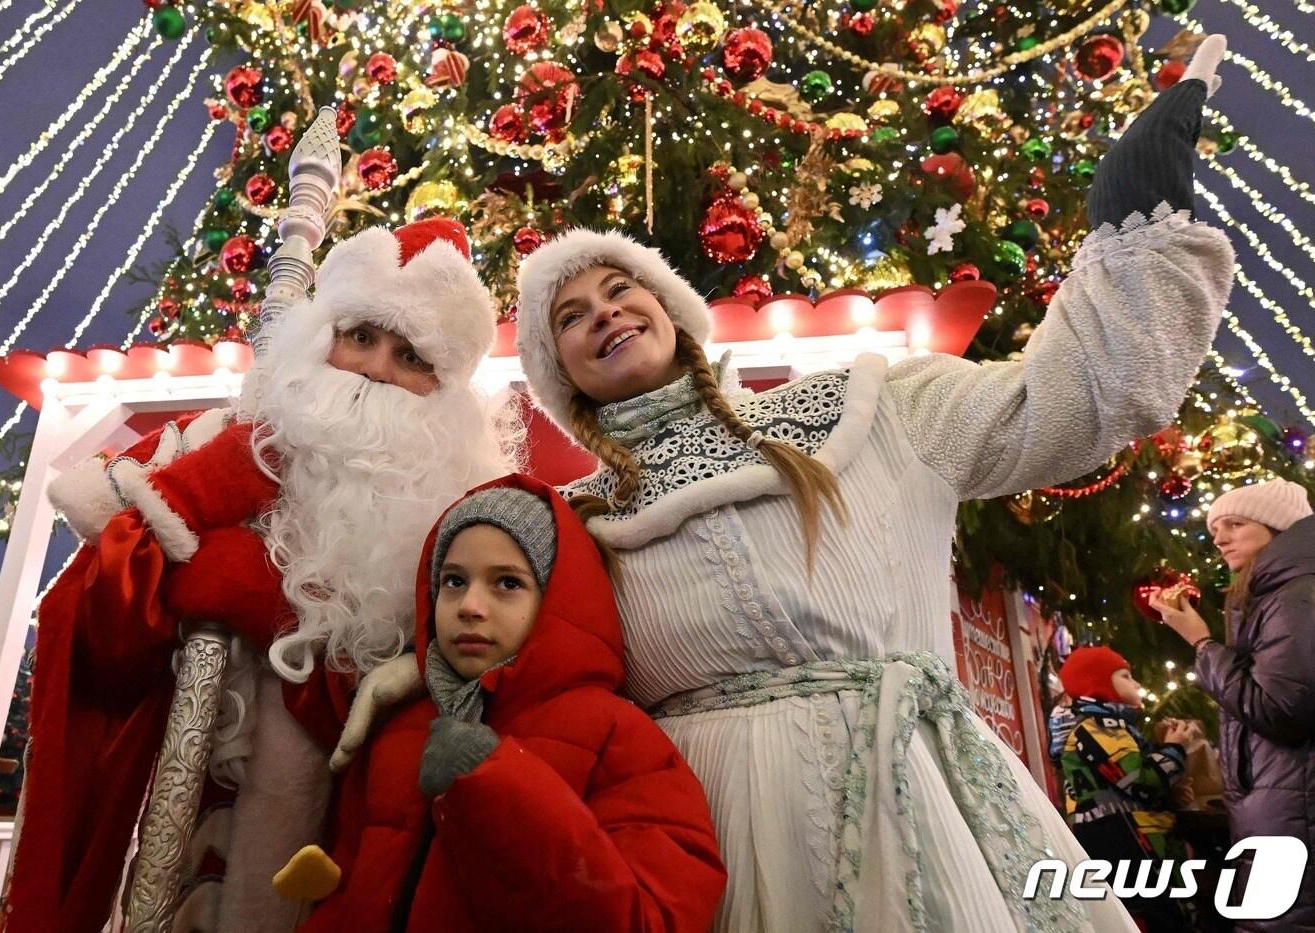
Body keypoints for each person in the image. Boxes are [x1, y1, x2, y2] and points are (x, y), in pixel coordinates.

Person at [512, 38, 1233, 932]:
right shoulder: (571, 524)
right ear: (560, 373)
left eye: (621, 289)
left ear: (670, 307)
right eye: (571, 319)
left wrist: (1137, 227)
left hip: (928, 806)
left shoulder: (872, 402)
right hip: (713, 837)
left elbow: (1073, 400)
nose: (606, 314)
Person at [7, 218, 520, 933]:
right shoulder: (233, 435)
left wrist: (272, 600)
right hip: (183, 762)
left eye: (410, 355)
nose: (375, 368)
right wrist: (192, 579)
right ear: (322, 336)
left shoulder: (461, 510)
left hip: (362, 805)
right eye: (362, 337)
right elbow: (102, 565)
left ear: (446, 392)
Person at [297, 474, 726, 931]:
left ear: (557, 599)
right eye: (454, 580)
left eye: (507, 583)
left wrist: (492, 780)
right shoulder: (399, 729)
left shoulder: (618, 735)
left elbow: (649, 920)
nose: (470, 606)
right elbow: (348, 892)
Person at [1149, 478, 1315, 931]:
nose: (1219, 538)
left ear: (1277, 527)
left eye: (1235, 524)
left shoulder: (1295, 595)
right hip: (1283, 812)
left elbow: (1279, 708)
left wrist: (1201, 643)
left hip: (1295, 816)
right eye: (1215, 528)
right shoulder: (1272, 594)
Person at [1057, 646, 1202, 930]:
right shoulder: (1097, 728)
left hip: (1136, 840)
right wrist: (1175, 749)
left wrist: (1170, 791)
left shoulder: (1117, 729)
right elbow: (1139, 780)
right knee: (1160, 916)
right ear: (1098, 685)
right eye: (1125, 676)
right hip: (1126, 844)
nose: (1136, 684)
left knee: (1171, 913)